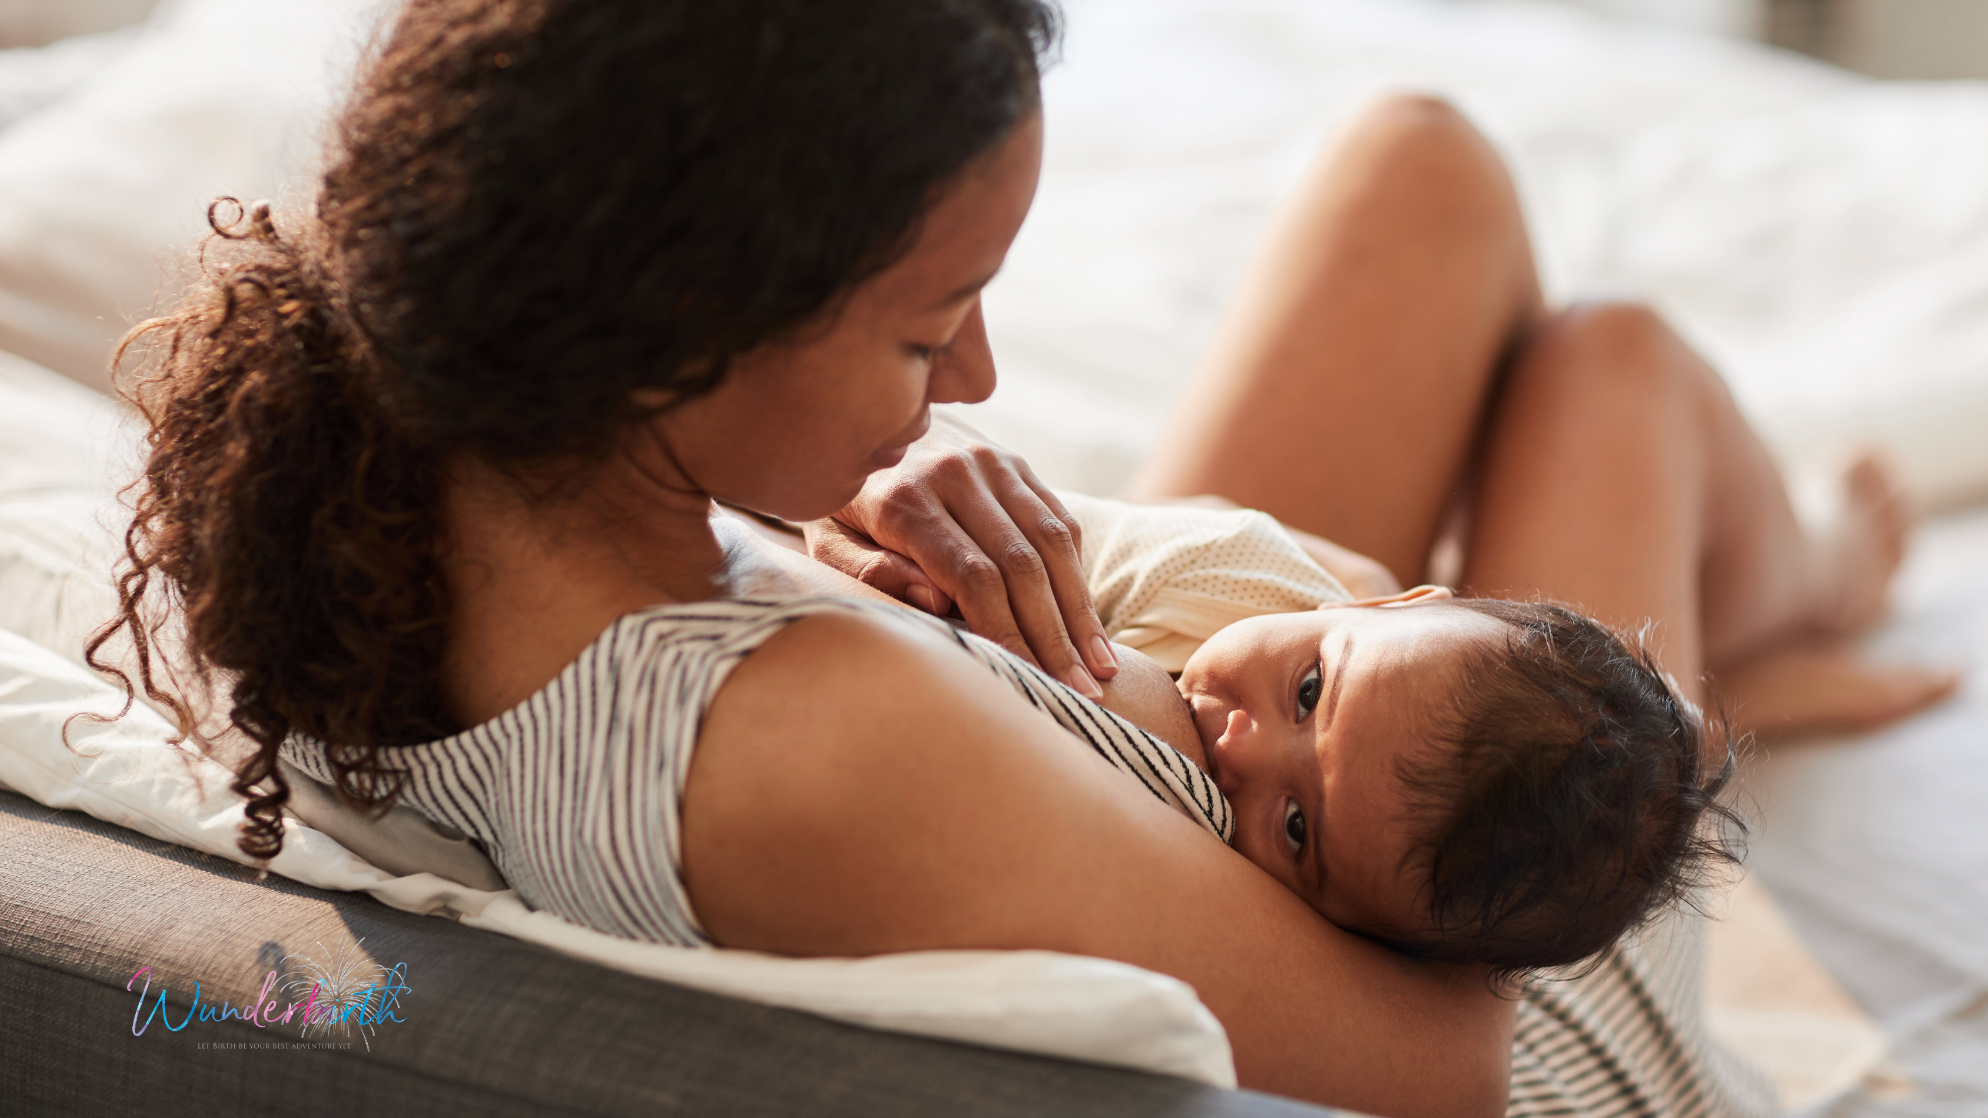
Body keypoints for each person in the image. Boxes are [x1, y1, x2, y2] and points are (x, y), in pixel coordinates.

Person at [84, 2, 1950, 1117]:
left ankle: (1734, 633)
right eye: (927, 328)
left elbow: (1001, 732)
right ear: (684, 321)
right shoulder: (814, 745)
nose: (973, 378)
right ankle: (1790, 610)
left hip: (1177, 735)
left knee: (1421, 168)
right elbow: (1446, 1067)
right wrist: (1401, 707)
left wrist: (829, 523)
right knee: (1612, 363)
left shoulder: (417, 466)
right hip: (1487, 920)